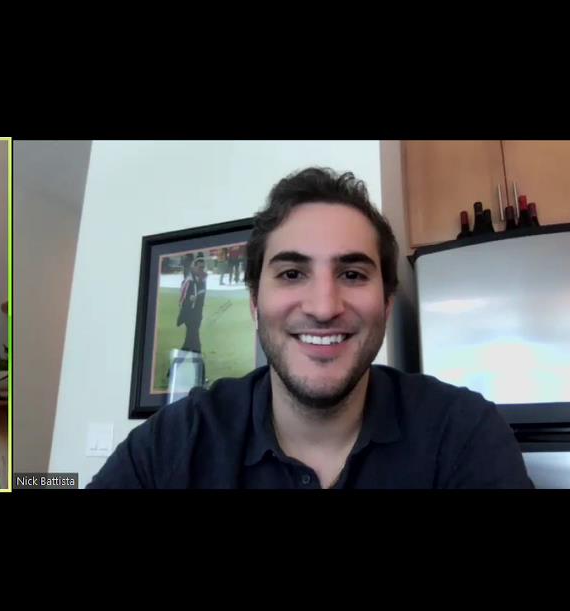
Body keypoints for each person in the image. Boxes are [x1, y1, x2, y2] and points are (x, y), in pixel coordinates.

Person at [92, 168, 533, 489]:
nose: (324, 308)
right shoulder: (176, 441)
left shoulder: (464, 433)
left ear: (386, 303)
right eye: (291, 274)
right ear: (254, 303)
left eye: (353, 274)